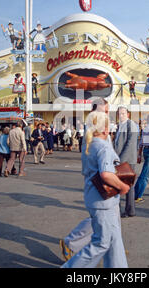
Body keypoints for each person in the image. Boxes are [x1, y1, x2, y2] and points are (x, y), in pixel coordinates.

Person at [61, 111, 130, 268]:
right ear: (105, 129)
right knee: (102, 243)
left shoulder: (89, 144)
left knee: (113, 239)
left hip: (93, 196)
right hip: (103, 200)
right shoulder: (103, 147)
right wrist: (122, 186)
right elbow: (106, 174)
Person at [59, 98, 109, 261]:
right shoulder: (94, 121)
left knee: (107, 217)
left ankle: (110, 246)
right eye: (105, 108)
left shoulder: (98, 120)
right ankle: (71, 242)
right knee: (98, 216)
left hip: (100, 172)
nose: (107, 111)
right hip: (98, 175)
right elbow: (94, 148)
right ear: (97, 107)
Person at [114, 106, 138, 218]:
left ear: (128, 114)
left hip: (127, 160)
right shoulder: (120, 125)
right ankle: (129, 210)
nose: (121, 115)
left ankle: (127, 210)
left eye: (123, 113)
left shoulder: (130, 124)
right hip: (121, 159)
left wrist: (120, 160)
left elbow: (130, 144)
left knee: (128, 186)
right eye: (119, 113)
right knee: (126, 185)